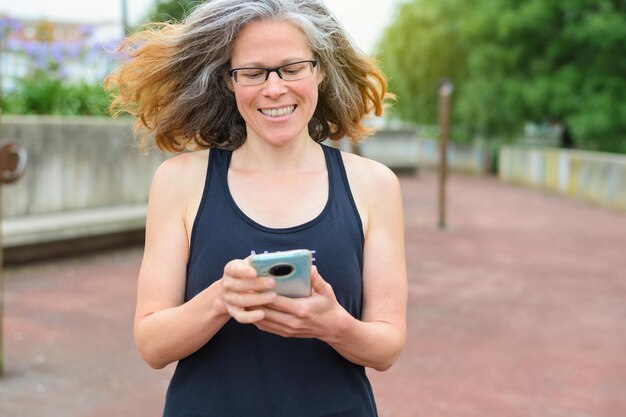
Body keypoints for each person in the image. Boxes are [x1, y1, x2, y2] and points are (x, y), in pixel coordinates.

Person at [105, 1, 407, 416]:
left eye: (292, 67)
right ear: (229, 81)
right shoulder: (179, 181)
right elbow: (152, 345)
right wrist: (221, 299)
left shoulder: (374, 184)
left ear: (320, 69)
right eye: (253, 73)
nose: (274, 88)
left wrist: (333, 324)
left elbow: (387, 347)